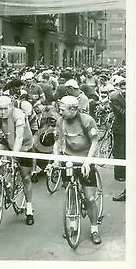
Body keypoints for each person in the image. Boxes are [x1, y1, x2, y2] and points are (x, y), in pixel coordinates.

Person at [53, 96, 101, 244]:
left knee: (90, 198)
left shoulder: (86, 120)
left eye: (63, 110)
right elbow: (57, 142)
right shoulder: (60, 121)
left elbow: (94, 141)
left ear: (73, 109)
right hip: (68, 158)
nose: (60, 113)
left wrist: (88, 161)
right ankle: (73, 223)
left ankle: (94, 228)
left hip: (85, 159)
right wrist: (55, 160)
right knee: (70, 193)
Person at [0, 96, 35, 226]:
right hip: (8, 141)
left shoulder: (18, 115)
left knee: (26, 178)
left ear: (11, 107)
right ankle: (2, 179)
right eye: (0, 109)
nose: (2, 112)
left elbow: (19, 137)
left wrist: (14, 157)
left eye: (5, 109)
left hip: (24, 145)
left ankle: (29, 208)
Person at [109, 78, 126, 201]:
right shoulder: (114, 97)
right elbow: (121, 113)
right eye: (123, 87)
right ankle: (119, 174)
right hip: (120, 128)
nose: (125, 90)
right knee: (119, 151)